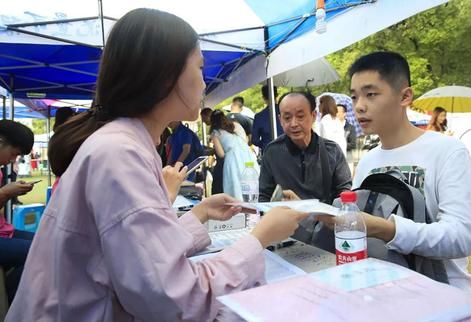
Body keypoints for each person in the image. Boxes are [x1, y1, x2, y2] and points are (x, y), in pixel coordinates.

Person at [6, 9, 308, 322]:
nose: (204, 83)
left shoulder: (125, 143)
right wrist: (258, 239)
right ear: (166, 76)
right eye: (200, 68)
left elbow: (138, 255)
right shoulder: (119, 153)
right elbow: (172, 297)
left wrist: (199, 214)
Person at [320, 51, 471, 291]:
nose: (359, 106)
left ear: (405, 96)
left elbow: (461, 238)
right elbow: (358, 222)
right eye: (354, 97)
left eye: (370, 94)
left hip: (441, 293)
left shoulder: (448, 151)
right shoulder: (368, 160)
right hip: (382, 291)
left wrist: (385, 228)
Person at [259, 91, 352, 248]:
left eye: (300, 116)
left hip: (326, 237)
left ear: (314, 115)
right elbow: (264, 197)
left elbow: (344, 197)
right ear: (280, 120)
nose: (294, 123)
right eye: (287, 118)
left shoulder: (332, 150)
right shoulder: (272, 152)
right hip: (287, 238)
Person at [0, 120, 36, 304]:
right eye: (14, 154)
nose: (13, 161)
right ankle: (16, 308)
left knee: (46, 241)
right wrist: (6, 192)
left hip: (4, 231)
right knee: (38, 251)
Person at [210, 110, 258, 200]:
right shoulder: (235, 125)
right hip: (247, 154)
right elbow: (245, 140)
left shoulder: (215, 132)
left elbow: (221, 154)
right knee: (251, 183)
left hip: (232, 158)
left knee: (235, 187)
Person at [251, 85, 284, 152]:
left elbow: (255, 140)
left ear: (263, 98)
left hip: (268, 151)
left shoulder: (259, 116)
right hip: (288, 150)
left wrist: (264, 145)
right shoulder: (285, 112)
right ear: (277, 95)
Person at [336, 103, 357, 171]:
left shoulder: (350, 128)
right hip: (335, 159)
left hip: (348, 159)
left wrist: (340, 144)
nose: (336, 114)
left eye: (338, 112)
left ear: (344, 114)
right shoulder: (332, 127)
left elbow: (353, 144)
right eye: (335, 111)